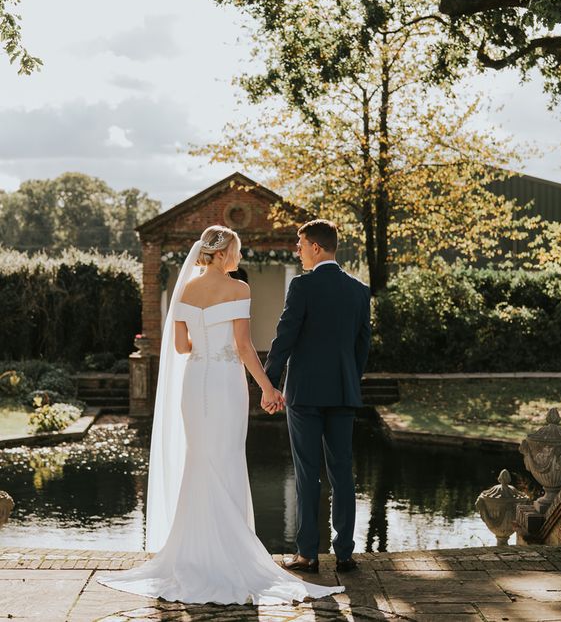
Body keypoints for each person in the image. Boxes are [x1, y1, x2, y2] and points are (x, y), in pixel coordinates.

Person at [97, 225, 343, 605]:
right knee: (226, 459)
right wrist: (267, 387)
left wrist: (205, 339)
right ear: (225, 253)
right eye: (239, 251)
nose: (241, 257)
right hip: (226, 383)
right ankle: (230, 554)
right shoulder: (239, 288)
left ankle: (192, 555)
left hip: (195, 383)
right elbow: (244, 348)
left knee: (199, 461)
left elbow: (180, 347)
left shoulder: (186, 291)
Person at [265, 219, 371, 575]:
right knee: (343, 473)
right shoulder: (359, 290)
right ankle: (344, 555)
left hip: (305, 394)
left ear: (315, 247)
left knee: (307, 473)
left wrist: (270, 383)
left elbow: (285, 338)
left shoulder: (302, 286)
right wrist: (349, 382)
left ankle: (307, 555)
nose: (298, 252)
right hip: (343, 393)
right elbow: (362, 347)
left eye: (300, 245)